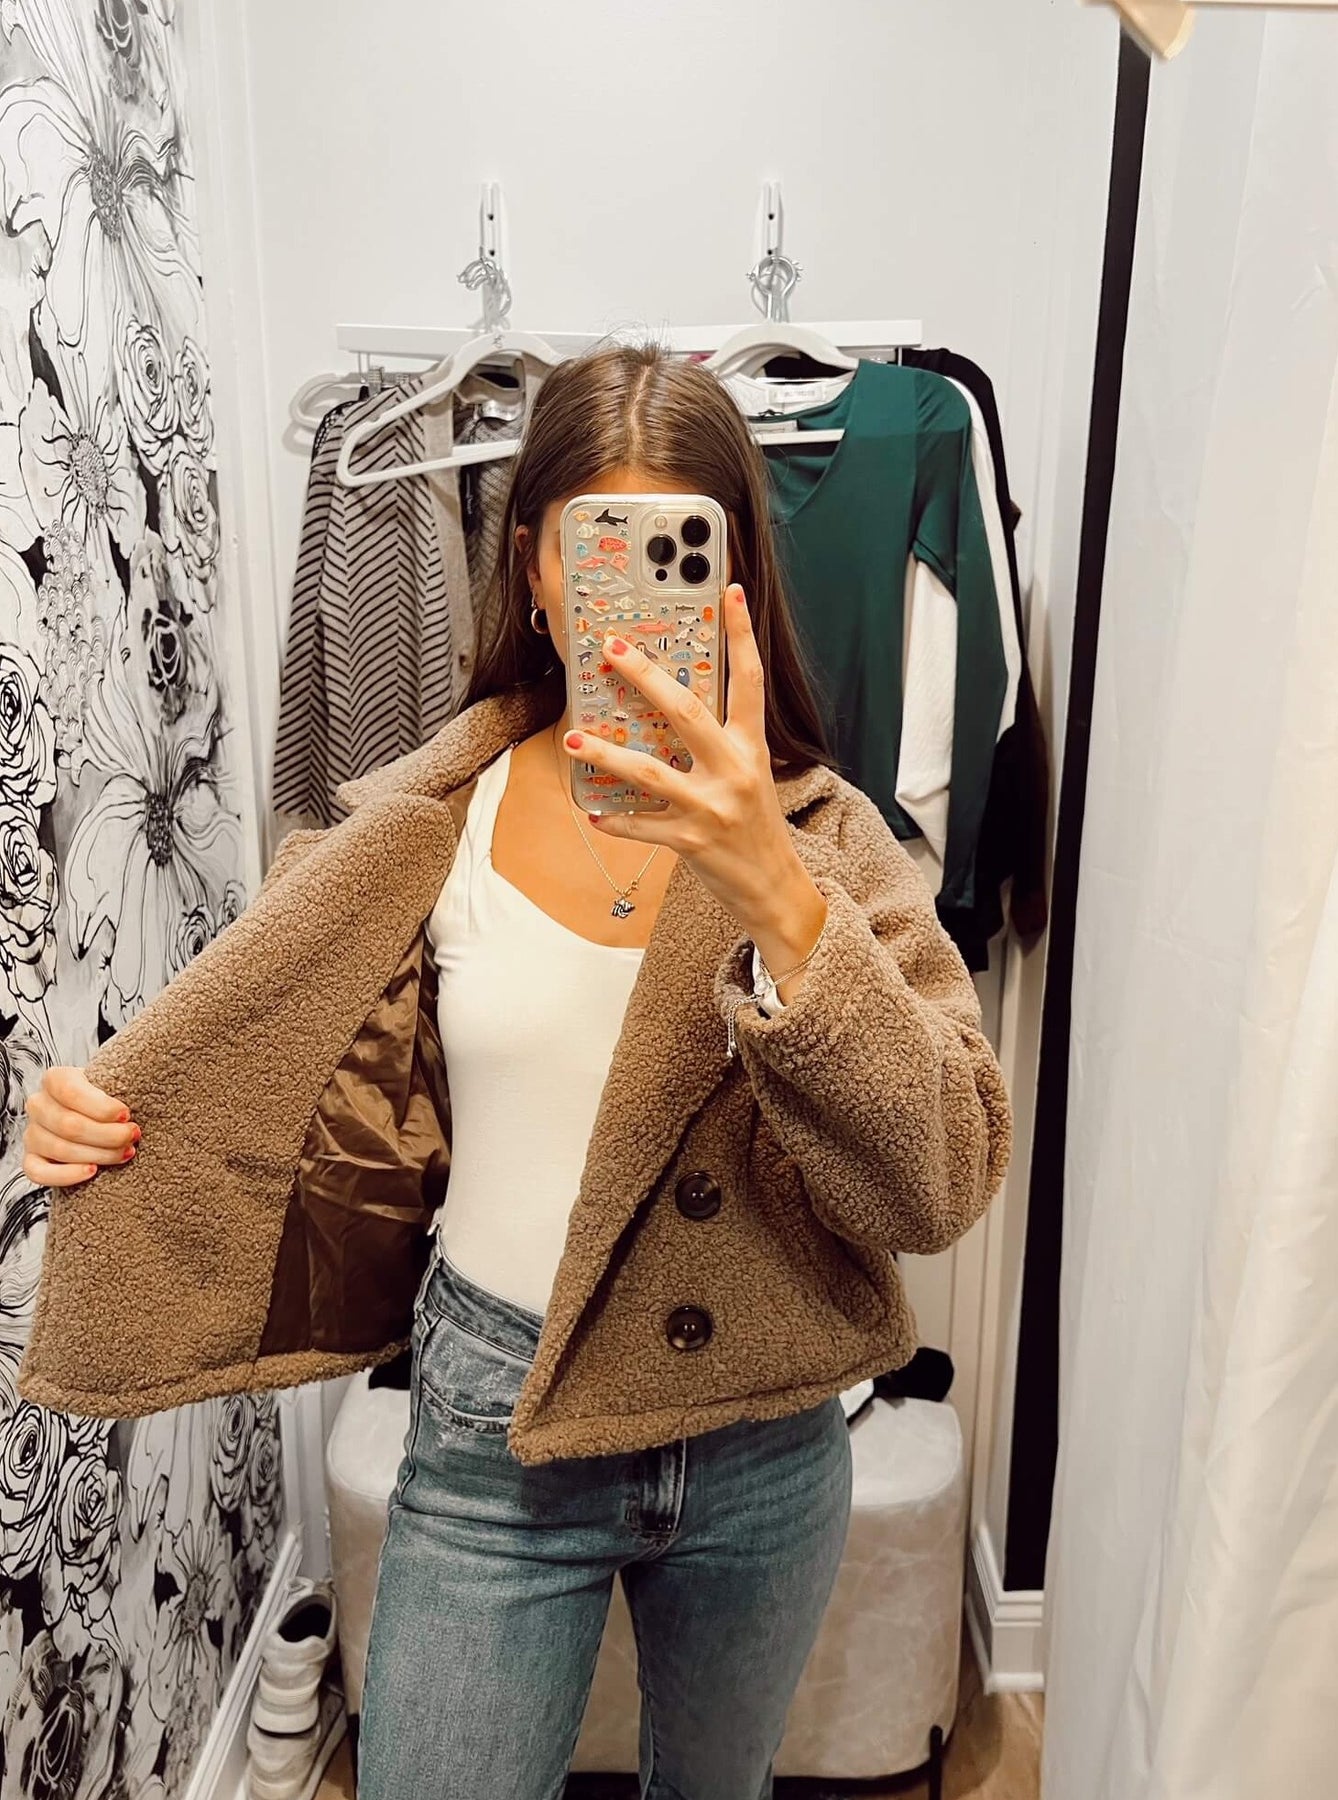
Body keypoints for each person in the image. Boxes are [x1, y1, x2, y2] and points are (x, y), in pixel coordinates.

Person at [21, 344, 1012, 1800]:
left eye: (677, 548)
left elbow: (941, 1176)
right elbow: (265, 1058)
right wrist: (109, 1116)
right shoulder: (430, 822)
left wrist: (771, 886)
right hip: (495, 1423)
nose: (630, 595)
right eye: (595, 546)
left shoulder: (825, 839)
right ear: (534, 568)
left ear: (736, 582)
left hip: (763, 1429)